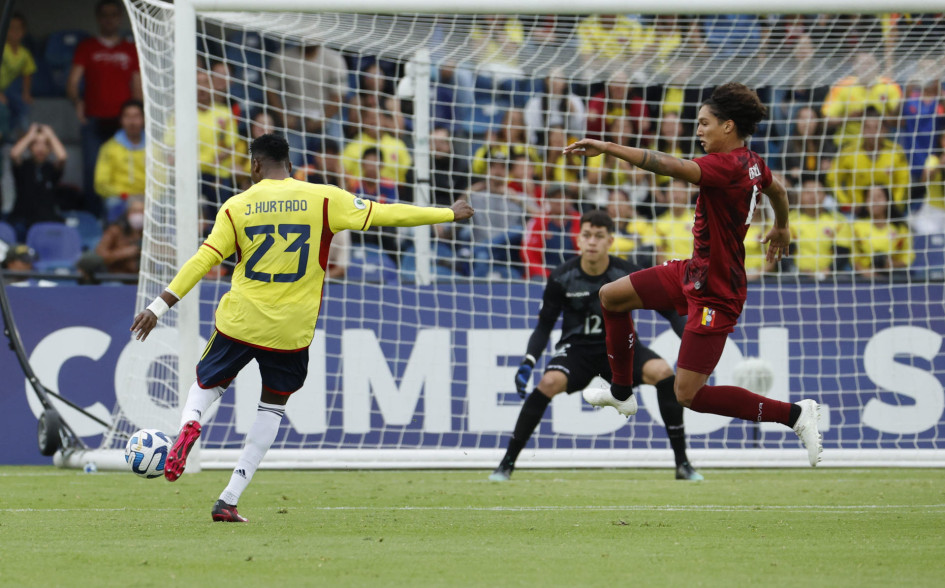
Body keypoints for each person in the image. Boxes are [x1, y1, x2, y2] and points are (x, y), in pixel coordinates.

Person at [129, 134, 473, 522]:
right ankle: (229, 497)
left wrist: (158, 307)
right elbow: (386, 213)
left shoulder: (236, 206)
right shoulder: (325, 198)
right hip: (291, 330)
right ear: (288, 163)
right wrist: (447, 212)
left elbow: (201, 261)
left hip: (241, 320)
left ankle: (191, 424)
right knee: (272, 407)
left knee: (206, 385)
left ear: (256, 165)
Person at [564, 82, 823, 467]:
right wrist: (781, 226)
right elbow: (779, 191)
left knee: (689, 395)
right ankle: (621, 391)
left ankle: (796, 415)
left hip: (718, 292)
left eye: (704, 123)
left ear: (728, 126)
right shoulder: (752, 162)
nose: (698, 130)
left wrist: (609, 147)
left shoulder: (725, 167)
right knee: (611, 296)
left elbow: (664, 164)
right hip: (694, 271)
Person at [490, 209, 702, 482]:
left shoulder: (627, 273)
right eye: (587, 235)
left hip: (623, 350)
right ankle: (506, 463)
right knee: (548, 383)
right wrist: (529, 360)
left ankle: (682, 464)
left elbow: (671, 311)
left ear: (610, 241)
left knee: (663, 372)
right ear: (578, 240)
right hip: (577, 351)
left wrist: (690, 340)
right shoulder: (561, 277)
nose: (592, 242)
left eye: (599, 236)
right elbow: (544, 326)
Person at [67, 0, 141, 201]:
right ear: (98, 19)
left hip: (122, 122)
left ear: (120, 18)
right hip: (93, 119)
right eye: (105, 15)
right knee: (92, 170)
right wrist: (77, 103)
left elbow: (137, 85)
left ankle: (117, 216)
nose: (109, 19)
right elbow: (73, 82)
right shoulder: (87, 47)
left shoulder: (130, 48)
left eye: (113, 15)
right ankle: (93, 218)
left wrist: (138, 115)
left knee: (124, 169)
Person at [8, 123, 67, 241]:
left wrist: (51, 135)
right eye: (36, 144)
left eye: (45, 144)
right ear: (29, 147)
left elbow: (62, 157)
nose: (40, 148)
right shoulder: (23, 166)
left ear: (50, 148)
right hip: (22, 220)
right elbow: (14, 154)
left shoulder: (51, 168)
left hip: (47, 220)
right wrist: (30, 135)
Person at [93, 99, 146, 220]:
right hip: (122, 197)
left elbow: (163, 182)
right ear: (121, 120)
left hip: (148, 199)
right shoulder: (109, 148)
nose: (132, 122)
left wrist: (146, 200)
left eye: (136, 116)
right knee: (112, 204)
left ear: (143, 119)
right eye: (127, 117)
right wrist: (126, 197)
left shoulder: (155, 148)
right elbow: (100, 183)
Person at [0, 12, 36, 137]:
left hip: (8, 89)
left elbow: (27, 73)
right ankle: (3, 138)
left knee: (23, 105)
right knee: (2, 109)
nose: (15, 32)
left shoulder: (24, 53)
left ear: (24, 31)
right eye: (11, 28)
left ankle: (23, 136)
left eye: (18, 28)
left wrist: (26, 93)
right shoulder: (2, 49)